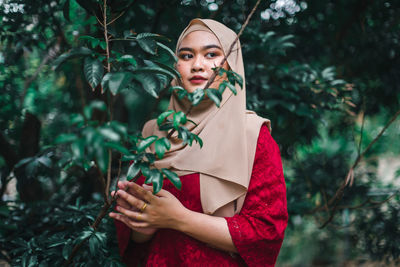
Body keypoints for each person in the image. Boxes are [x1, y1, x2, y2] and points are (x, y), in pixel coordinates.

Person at [109, 18, 288, 267]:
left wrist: (179, 218)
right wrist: (144, 224)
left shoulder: (253, 136)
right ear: (175, 67)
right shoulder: (153, 132)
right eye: (186, 55)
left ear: (231, 65)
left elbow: (264, 235)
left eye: (211, 54)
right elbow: (134, 236)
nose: (197, 65)